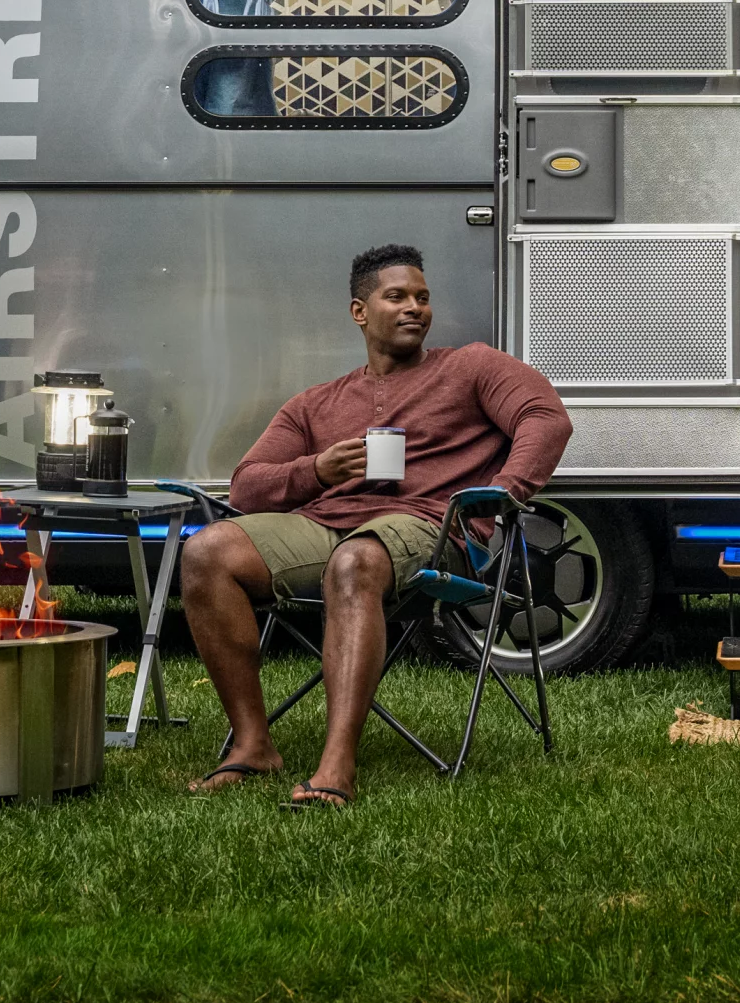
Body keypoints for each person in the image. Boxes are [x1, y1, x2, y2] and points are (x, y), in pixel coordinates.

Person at [182, 243, 571, 809]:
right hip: (328, 527)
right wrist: (317, 468)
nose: (415, 307)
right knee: (207, 551)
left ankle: (337, 763)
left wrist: (498, 497)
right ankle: (251, 743)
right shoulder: (316, 404)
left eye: (423, 297)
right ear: (359, 311)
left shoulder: (471, 367)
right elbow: (247, 486)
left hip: (433, 529)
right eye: (397, 296)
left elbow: (545, 417)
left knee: (355, 560)